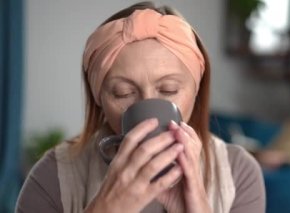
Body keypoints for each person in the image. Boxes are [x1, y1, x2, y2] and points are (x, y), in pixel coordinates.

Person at [16, 2, 265, 213]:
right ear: (99, 97)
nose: (147, 106)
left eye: (168, 90)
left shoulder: (237, 173)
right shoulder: (53, 176)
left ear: (196, 90)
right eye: (123, 92)